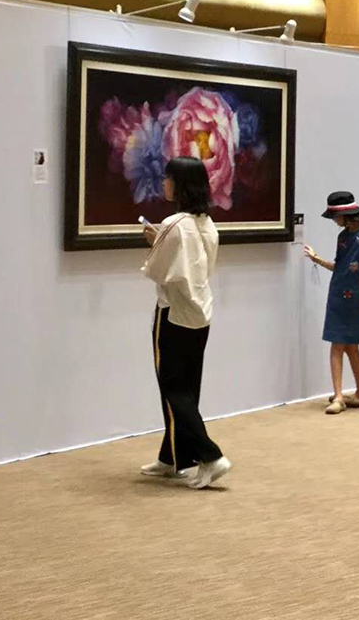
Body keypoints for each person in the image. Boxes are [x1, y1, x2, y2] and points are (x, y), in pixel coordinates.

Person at [139, 157, 231, 490]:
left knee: (173, 389)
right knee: (187, 387)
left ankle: (211, 456)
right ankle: (171, 456)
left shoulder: (175, 224)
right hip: (200, 313)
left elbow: (157, 270)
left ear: (180, 184)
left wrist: (155, 242)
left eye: (168, 178)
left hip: (173, 314)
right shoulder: (207, 224)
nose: (164, 183)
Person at [303, 191, 359, 415]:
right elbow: (341, 267)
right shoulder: (344, 237)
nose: (334, 221)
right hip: (339, 296)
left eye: (335, 216)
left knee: (340, 345)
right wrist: (317, 259)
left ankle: (340, 397)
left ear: (345, 214)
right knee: (346, 345)